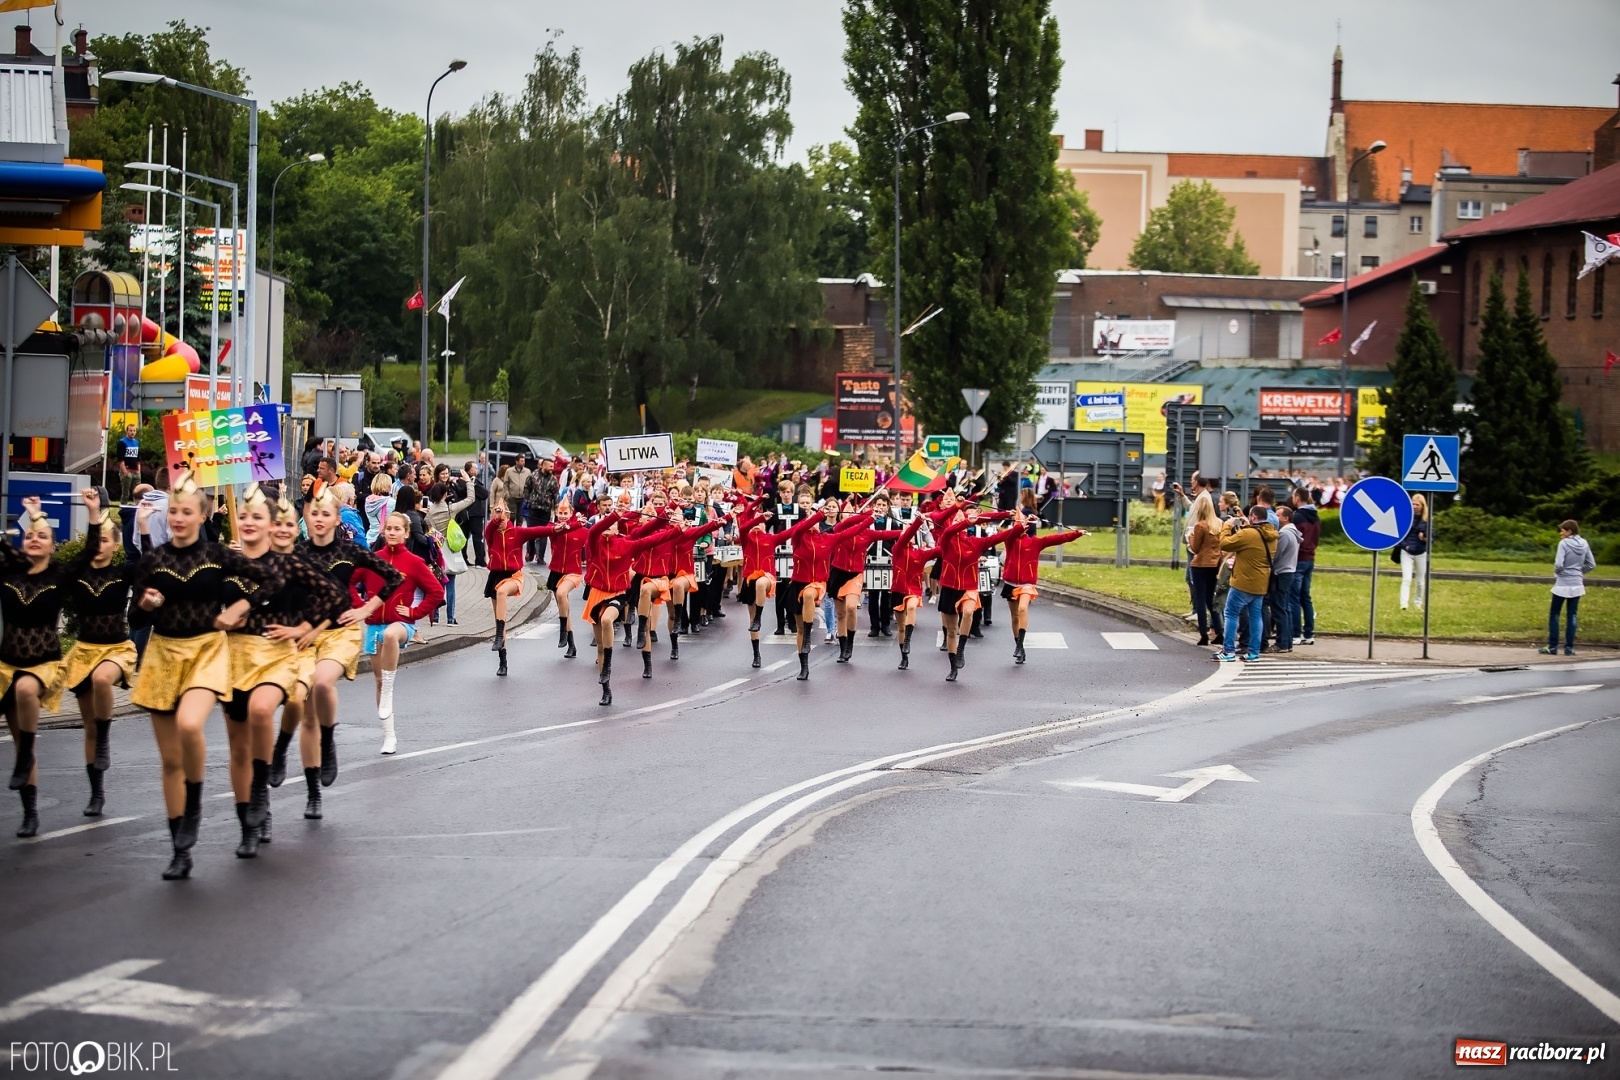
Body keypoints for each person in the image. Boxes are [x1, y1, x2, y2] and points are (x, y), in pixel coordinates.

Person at [127, 471, 271, 880]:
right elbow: (134, 618)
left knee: (191, 724)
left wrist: (236, 610)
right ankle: (180, 849)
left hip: (207, 651)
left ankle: (195, 805)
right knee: (170, 760)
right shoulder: (154, 560)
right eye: (172, 511)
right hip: (161, 656)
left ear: (202, 513)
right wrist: (148, 605)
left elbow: (270, 581)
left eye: (186, 511)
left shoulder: (217, 555)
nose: (177, 517)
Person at [220, 487, 346, 858]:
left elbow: (335, 599)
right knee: (238, 748)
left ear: (272, 525)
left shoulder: (289, 565)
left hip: (278, 656)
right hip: (233, 658)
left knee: (264, 710)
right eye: (243, 517)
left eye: (257, 517)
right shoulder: (225, 562)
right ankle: (251, 822)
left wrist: (303, 628)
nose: (248, 523)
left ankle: (264, 781)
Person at [276, 487, 404, 820]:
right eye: (313, 513)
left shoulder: (349, 550)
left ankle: (329, 740)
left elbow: (393, 577)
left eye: (325, 514)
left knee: (322, 683)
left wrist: (367, 610)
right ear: (307, 516)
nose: (318, 519)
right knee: (304, 712)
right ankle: (312, 793)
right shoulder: (297, 552)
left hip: (341, 632)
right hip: (304, 634)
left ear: (337, 517)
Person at [61, 491, 140, 819]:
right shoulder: (79, 574)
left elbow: (142, 561)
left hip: (116, 649)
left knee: (101, 679)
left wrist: (142, 523)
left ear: (115, 544)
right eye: (98, 538)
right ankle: (97, 793)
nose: (100, 543)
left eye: (107, 539)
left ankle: (107, 736)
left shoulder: (122, 574)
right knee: (87, 726)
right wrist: (95, 514)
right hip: (83, 651)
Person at [358, 513, 445, 753]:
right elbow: (351, 584)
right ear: (383, 532)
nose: (392, 532)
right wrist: (361, 608)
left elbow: (436, 592)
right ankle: (389, 736)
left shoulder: (415, 562)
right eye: (389, 528)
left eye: (397, 529)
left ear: (406, 533)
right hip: (375, 625)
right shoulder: (373, 559)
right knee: (377, 680)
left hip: (401, 624)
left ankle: (389, 686)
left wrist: (414, 612)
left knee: (390, 636)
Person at [582, 509, 677, 705]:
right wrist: (614, 515)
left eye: (612, 525)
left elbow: (654, 539)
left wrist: (677, 529)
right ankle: (606, 690)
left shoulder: (627, 544)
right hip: (595, 594)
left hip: (617, 594)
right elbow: (593, 531)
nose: (607, 528)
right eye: (605, 525)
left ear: (618, 529)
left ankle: (607, 663)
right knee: (599, 645)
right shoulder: (594, 542)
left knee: (608, 619)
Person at [934, 507, 1016, 681]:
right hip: (949, 587)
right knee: (951, 631)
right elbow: (949, 530)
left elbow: (998, 537)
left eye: (960, 520)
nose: (957, 522)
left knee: (969, 612)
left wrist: (1017, 525)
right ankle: (952, 667)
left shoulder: (975, 542)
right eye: (956, 520)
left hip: (969, 587)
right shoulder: (946, 539)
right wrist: (965, 520)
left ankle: (961, 649)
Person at [999, 509, 1085, 663]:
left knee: (1022, 609)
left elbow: (1059, 538)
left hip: (1026, 584)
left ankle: (1019, 645)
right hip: (1010, 583)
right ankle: (1020, 648)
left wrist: (1077, 533)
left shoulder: (1036, 543)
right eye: (1016, 524)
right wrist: (1016, 519)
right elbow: (1010, 531)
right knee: (1014, 617)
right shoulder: (1009, 539)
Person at [482, 497, 556, 676]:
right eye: (496, 514)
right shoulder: (490, 532)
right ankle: (503, 661)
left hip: (514, 575)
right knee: (500, 618)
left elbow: (540, 530)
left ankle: (499, 634)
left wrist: (557, 528)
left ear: (508, 515)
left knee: (501, 592)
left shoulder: (517, 532)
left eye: (503, 514)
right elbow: (492, 526)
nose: (500, 519)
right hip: (495, 575)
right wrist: (497, 516)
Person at [1214, 505, 1276, 663]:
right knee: (1256, 616)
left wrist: (1227, 527)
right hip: (1261, 583)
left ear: (1254, 517)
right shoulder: (1271, 534)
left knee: (1230, 613)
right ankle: (1254, 652)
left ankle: (1228, 651)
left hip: (1243, 582)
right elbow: (1254, 539)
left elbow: (1225, 544)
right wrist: (1246, 524)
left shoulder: (1248, 534)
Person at [1544, 519, 1595, 656]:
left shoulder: (1564, 544)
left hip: (1563, 584)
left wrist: (1559, 573)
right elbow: (1591, 564)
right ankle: (1569, 648)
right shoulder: (1584, 543)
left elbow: (1559, 564)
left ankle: (1552, 646)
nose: (1560, 533)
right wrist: (1578, 572)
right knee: (1572, 615)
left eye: (1562, 530)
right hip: (1577, 584)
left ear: (1569, 531)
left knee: (1554, 614)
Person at [1187, 492, 1223, 647]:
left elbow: (1195, 548)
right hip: (1215, 564)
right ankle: (1220, 631)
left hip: (1201, 564)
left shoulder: (1200, 525)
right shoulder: (1219, 523)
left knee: (1200, 599)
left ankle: (1203, 634)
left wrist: (1190, 537)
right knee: (1211, 599)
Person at [1265, 505, 1299, 654]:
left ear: (1285, 518)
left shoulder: (1285, 534)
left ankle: (1282, 643)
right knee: (1285, 608)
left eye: (1278, 515)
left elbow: (1276, 554)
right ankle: (1287, 641)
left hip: (1281, 572)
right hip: (1288, 571)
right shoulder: (1293, 532)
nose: (1276, 518)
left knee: (1278, 608)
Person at [1289, 488, 1320, 645]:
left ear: (1298, 498)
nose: (1292, 498)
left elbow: (1295, 538)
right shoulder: (1315, 515)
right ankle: (1309, 633)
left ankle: (1295, 633)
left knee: (1294, 597)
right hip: (1310, 558)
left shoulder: (1298, 516)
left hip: (1299, 559)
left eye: (1293, 496)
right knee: (1305, 597)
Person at [1399, 494, 1430, 611]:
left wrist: (1425, 539)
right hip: (1407, 552)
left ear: (1422, 506)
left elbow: (1431, 537)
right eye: (1413, 503)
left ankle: (1418, 603)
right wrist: (1405, 546)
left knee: (1420, 581)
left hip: (1421, 552)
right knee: (1406, 578)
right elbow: (1399, 535)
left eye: (1417, 504)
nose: (1414, 506)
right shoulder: (1405, 518)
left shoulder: (1426, 520)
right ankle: (1403, 604)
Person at [117, 423, 142, 503]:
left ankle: (137, 508)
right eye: (130, 430)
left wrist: (138, 470)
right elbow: (120, 459)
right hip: (127, 470)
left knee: (137, 492)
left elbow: (138, 458)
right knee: (126, 492)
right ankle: (123, 507)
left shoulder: (136, 442)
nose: (132, 432)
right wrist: (125, 471)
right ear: (127, 431)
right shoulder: (122, 442)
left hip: (135, 471)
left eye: (134, 431)